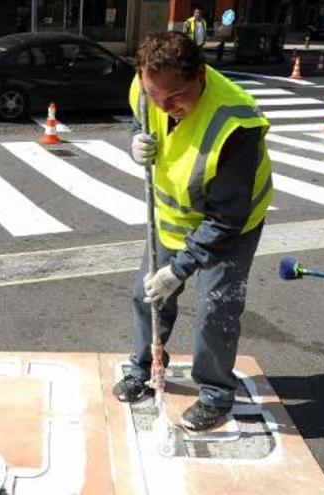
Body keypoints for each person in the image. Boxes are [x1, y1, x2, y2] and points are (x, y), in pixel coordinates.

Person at [112, 31, 273, 431]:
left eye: (178, 96)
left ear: (200, 75)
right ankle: (145, 366)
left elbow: (225, 220)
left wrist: (179, 269)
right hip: (172, 215)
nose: (166, 107)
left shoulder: (236, 123)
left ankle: (217, 393)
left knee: (216, 309)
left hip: (230, 225)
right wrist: (134, 139)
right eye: (156, 96)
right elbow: (139, 116)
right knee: (146, 295)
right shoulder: (145, 85)